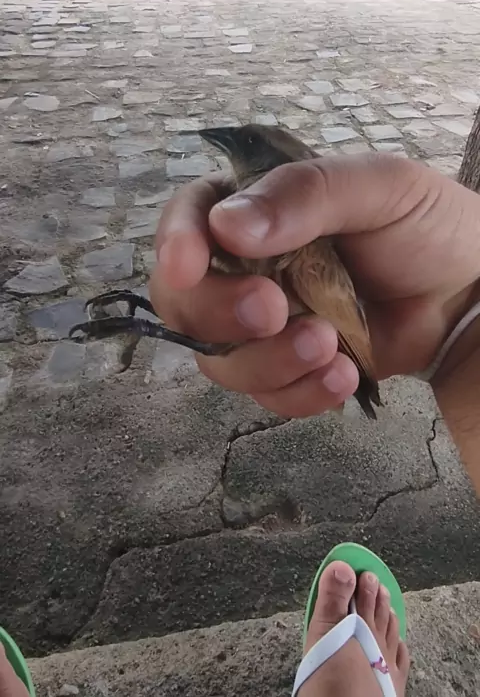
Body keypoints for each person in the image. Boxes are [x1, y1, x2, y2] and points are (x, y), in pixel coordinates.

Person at [1, 154, 479, 697]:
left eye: (249, 149)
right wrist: (464, 314)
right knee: (245, 318)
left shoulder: (309, 248)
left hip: (350, 324)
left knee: (248, 325)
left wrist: (465, 312)